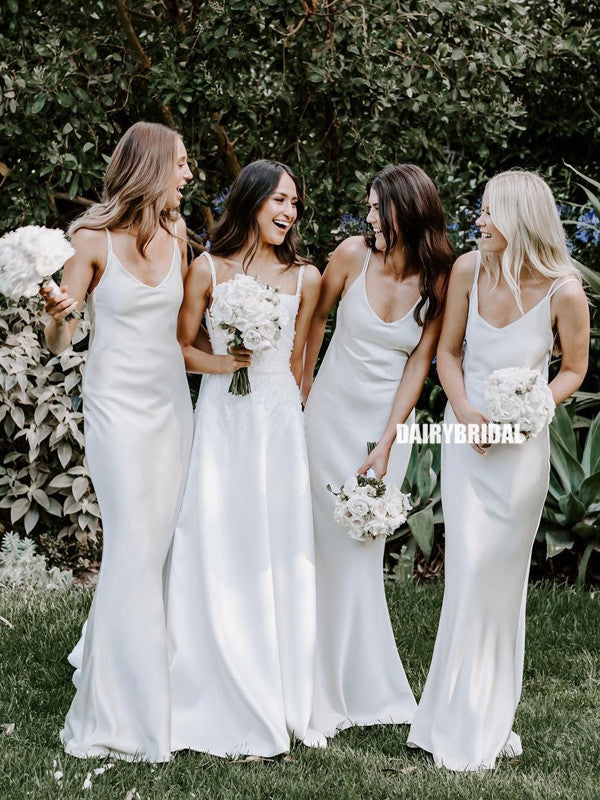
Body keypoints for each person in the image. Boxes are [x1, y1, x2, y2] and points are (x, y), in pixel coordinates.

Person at [43, 121, 234, 762]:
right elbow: (59, 342)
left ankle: (136, 672)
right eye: (180, 163)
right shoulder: (91, 240)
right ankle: (122, 713)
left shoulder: (177, 234)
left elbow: (183, 332)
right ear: (152, 167)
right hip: (116, 410)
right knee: (132, 546)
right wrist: (57, 317)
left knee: (156, 548)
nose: (189, 174)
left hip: (169, 408)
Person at [407, 170, 590, 771]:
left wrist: (534, 407)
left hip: (520, 457)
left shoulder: (565, 291)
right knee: (467, 574)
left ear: (519, 218)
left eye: (489, 211)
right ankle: (448, 717)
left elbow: (573, 369)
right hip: (468, 446)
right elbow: (448, 353)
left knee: (498, 581)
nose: (479, 220)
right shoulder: (468, 270)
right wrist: (464, 410)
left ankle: (485, 717)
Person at [166, 159, 323, 757]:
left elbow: (299, 358)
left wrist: (289, 408)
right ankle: (211, 671)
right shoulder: (206, 268)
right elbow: (181, 347)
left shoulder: (306, 277)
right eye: (279, 199)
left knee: (276, 545)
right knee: (219, 535)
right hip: (224, 421)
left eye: (295, 203)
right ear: (252, 200)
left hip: (277, 423)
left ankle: (280, 685)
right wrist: (224, 363)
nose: (289, 212)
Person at [301, 164, 453, 738]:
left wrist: (390, 439)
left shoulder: (438, 280)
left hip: (386, 431)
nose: (368, 218)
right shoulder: (350, 256)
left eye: (376, 209)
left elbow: (419, 363)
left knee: (360, 551)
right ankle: (306, 672)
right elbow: (314, 321)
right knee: (318, 544)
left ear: (406, 213)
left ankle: (358, 681)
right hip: (328, 418)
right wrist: (300, 388)